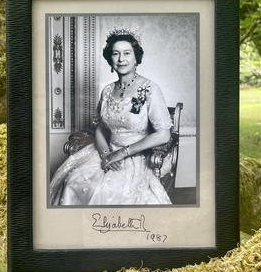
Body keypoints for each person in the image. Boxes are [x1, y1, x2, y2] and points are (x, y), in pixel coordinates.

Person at [50, 30, 174, 205]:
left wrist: (121, 154)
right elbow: (100, 128)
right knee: (72, 182)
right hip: (105, 151)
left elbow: (163, 135)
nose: (121, 59)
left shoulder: (150, 89)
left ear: (136, 58)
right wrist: (106, 155)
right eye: (116, 54)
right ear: (110, 59)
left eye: (127, 53)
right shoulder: (107, 91)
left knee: (111, 193)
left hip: (136, 156)